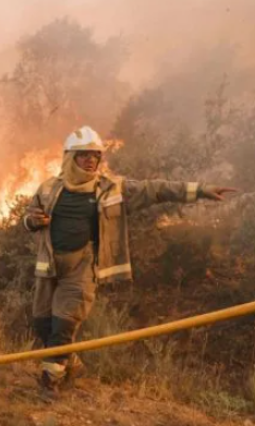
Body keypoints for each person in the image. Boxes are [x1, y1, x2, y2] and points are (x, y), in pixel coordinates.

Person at [24, 126, 237, 400]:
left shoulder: (112, 189)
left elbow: (156, 189)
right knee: (43, 325)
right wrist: (32, 221)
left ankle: (49, 383)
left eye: (95, 155)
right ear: (69, 158)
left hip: (82, 269)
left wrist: (202, 190)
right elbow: (30, 216)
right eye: (84, 155)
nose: (91, 160)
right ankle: (72, 364)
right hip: (49, 266)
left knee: (64, 324)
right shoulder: (49, 188)